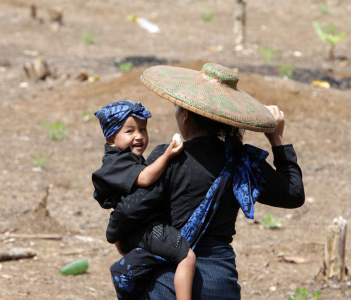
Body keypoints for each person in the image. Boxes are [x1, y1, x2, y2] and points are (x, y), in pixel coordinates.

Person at [105, 63, 305, 299]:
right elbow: (293, 193)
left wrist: (116, 234)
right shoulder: (243, 161)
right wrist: (277, 138)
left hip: (167, 282)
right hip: (221, 282)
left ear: (186, 115)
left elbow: (132, 209)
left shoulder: (169, 157)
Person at [92, 100, 196, 300]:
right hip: (145, 228)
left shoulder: (126, 158)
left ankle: (124, 274)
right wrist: (166, 156)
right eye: (129, 131)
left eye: (143, 129)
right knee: (187, 257)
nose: (139, 136)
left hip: (136, 228)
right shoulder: (116, 162)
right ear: (111, 137)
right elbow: (146, 178)